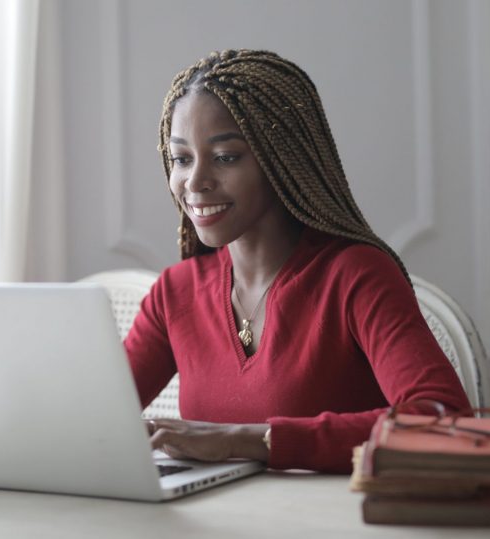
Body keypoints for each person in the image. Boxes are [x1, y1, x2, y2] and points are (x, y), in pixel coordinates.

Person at [124, 49, 470, 473]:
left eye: (226, 157)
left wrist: (245, 440)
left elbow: (446, 422)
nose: (195, 182)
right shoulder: (175, 292)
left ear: (281, 158)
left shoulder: (356, 275)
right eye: (181, 159)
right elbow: (93, 418)